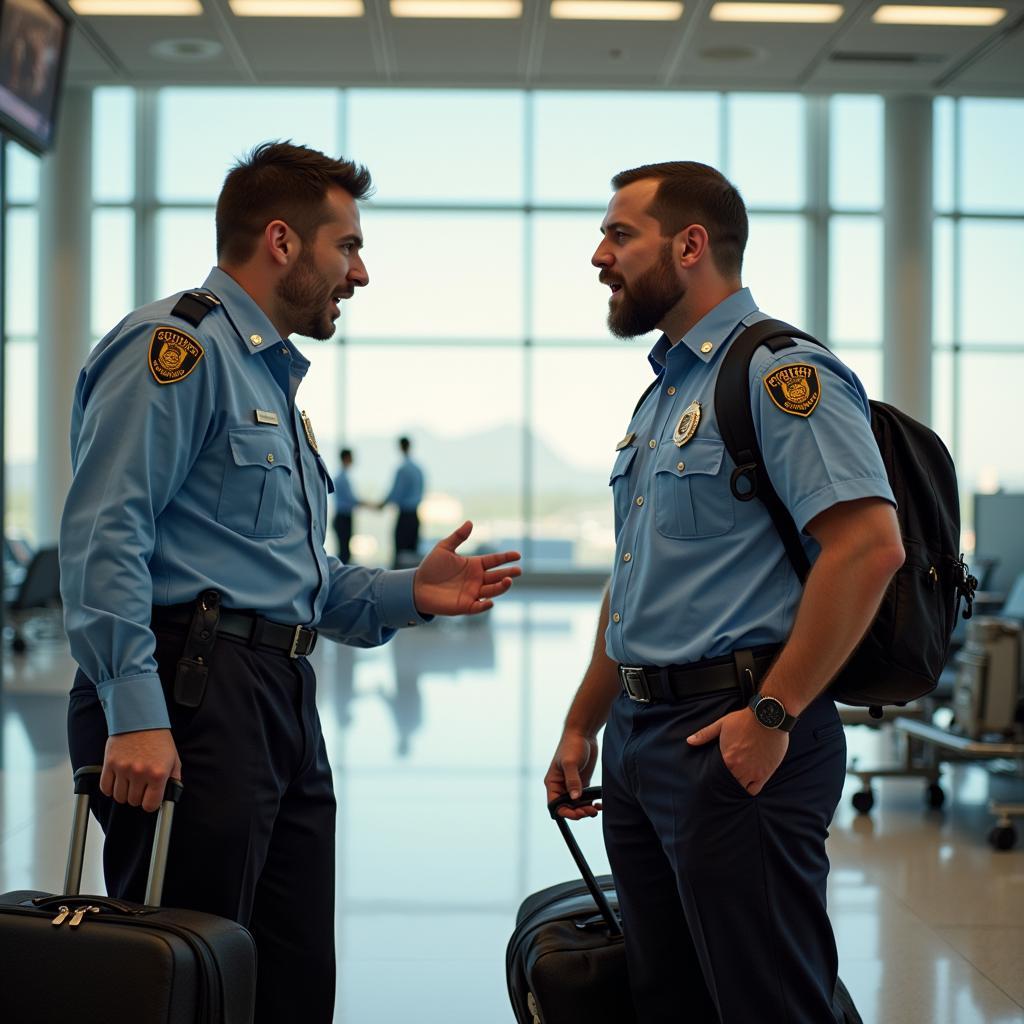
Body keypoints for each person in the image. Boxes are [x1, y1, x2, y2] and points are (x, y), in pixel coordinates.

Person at [60, 141, 521, 1024]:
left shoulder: (267, 378)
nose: (361, 272)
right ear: (282, 241)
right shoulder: (177, 349)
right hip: (190, 692)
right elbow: (104, 532)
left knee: (292, 976)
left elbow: (291, 582)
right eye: (346, 246)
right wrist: (137, 710)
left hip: (275, 695)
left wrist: (407, 594)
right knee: (192, 977)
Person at [543, 161, 904, 1023]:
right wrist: (582, 723)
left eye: (619, 234)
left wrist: (772, 717)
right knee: (667, 996)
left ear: (691, 244)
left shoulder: (780, 374)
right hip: (639, 741)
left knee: (767, 1000)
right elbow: (636, 583)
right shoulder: (665, 393)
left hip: (736, 731)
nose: (600, 255)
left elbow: (867, 548)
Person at [379, 435, 425, 568]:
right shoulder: (418, 469)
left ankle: (397, 586)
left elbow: (395, 494)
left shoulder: (402, 469)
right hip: (415, 516)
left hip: (404, 517)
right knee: (413, 556)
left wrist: (381, 505)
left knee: (400, 556)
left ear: (400, 447)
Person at [332, 446, 358, 562]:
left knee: (344, 549)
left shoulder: (341, 476)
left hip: (343, 517)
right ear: (346, 458)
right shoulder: (342, 478)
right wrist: (370, 505)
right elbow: (352, 500)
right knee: (344, 552)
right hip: (343, 518)